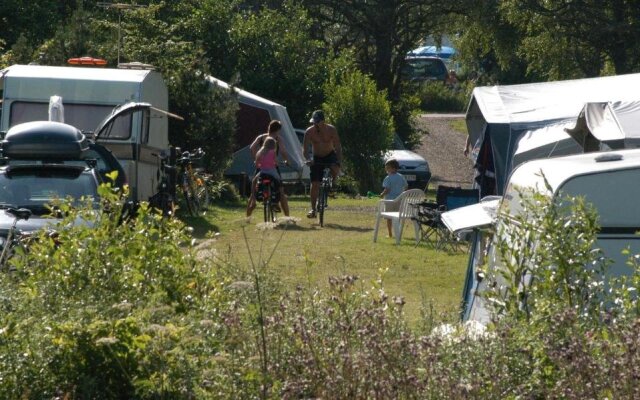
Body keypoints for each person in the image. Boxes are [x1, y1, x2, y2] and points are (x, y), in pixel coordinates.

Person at [303, 110, 342, 218]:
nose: (315, 124)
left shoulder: (331, 130)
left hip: (330, 154)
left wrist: (339, 160)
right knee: (315, 183)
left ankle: (333, 185)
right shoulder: (309, 132)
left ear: (323, 121)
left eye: (317, 122)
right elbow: (305, 150)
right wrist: (308, 159)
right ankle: (313, 209)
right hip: (317, 157)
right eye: (313, 122)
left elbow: (338, 146)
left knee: (335, 167)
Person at [246, 120, 290, 217]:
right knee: (281, 191)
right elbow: (283, 151)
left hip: (261, 168)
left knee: (253, 189)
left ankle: (248, 216)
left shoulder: (261, 137)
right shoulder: (278, 139)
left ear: (269, 127)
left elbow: (252, 147)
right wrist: (287, 161)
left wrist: (256, 160)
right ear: (278, 130)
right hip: (273, 167)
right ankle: (287, 216)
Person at [380, 158, 408, 237]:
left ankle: (390, 233)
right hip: (399, 200)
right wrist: (402, 193)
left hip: (389, 201)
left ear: (392, 168)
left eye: (387, 168)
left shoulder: (388, 178)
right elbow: (406, 187)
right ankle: (397, 232)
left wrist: (382, 194)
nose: (386, 170)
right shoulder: (401, 176)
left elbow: (387, 189)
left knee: (389, 218)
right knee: (397, 216)